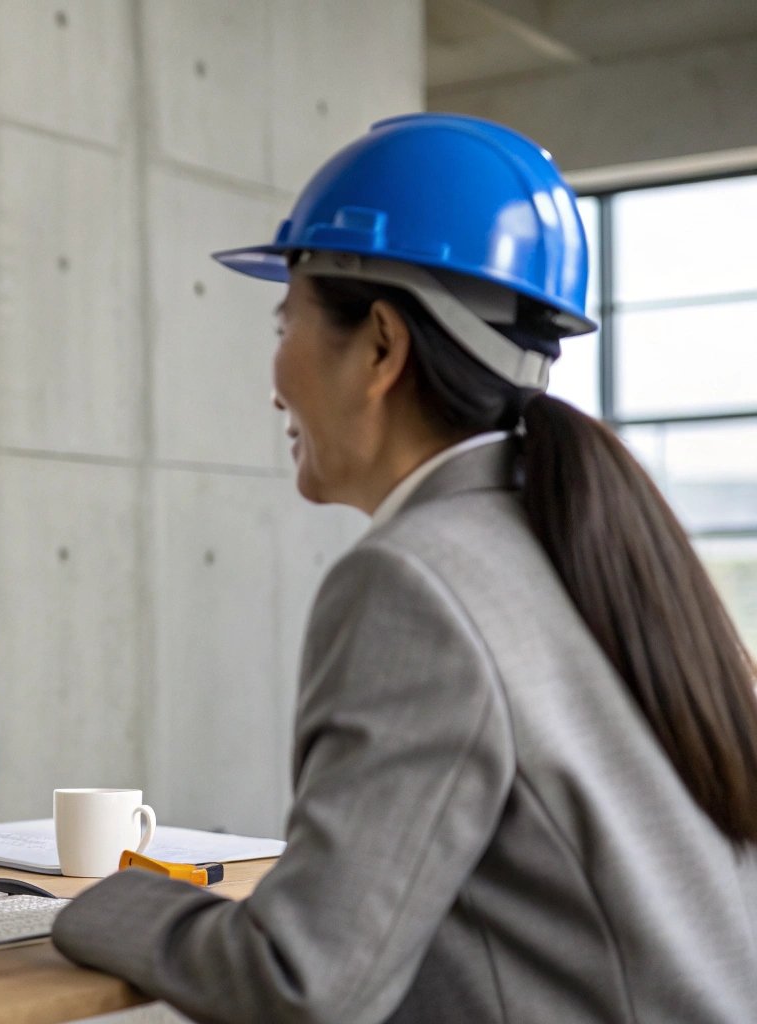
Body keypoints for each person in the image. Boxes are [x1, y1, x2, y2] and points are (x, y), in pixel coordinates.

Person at [51, 113, 757, 1022]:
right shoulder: (579, 546)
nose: (273, 382)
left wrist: (98, 901)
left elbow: (302, 985)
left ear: (381, 346)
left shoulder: (415, 581)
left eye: (285, 323)